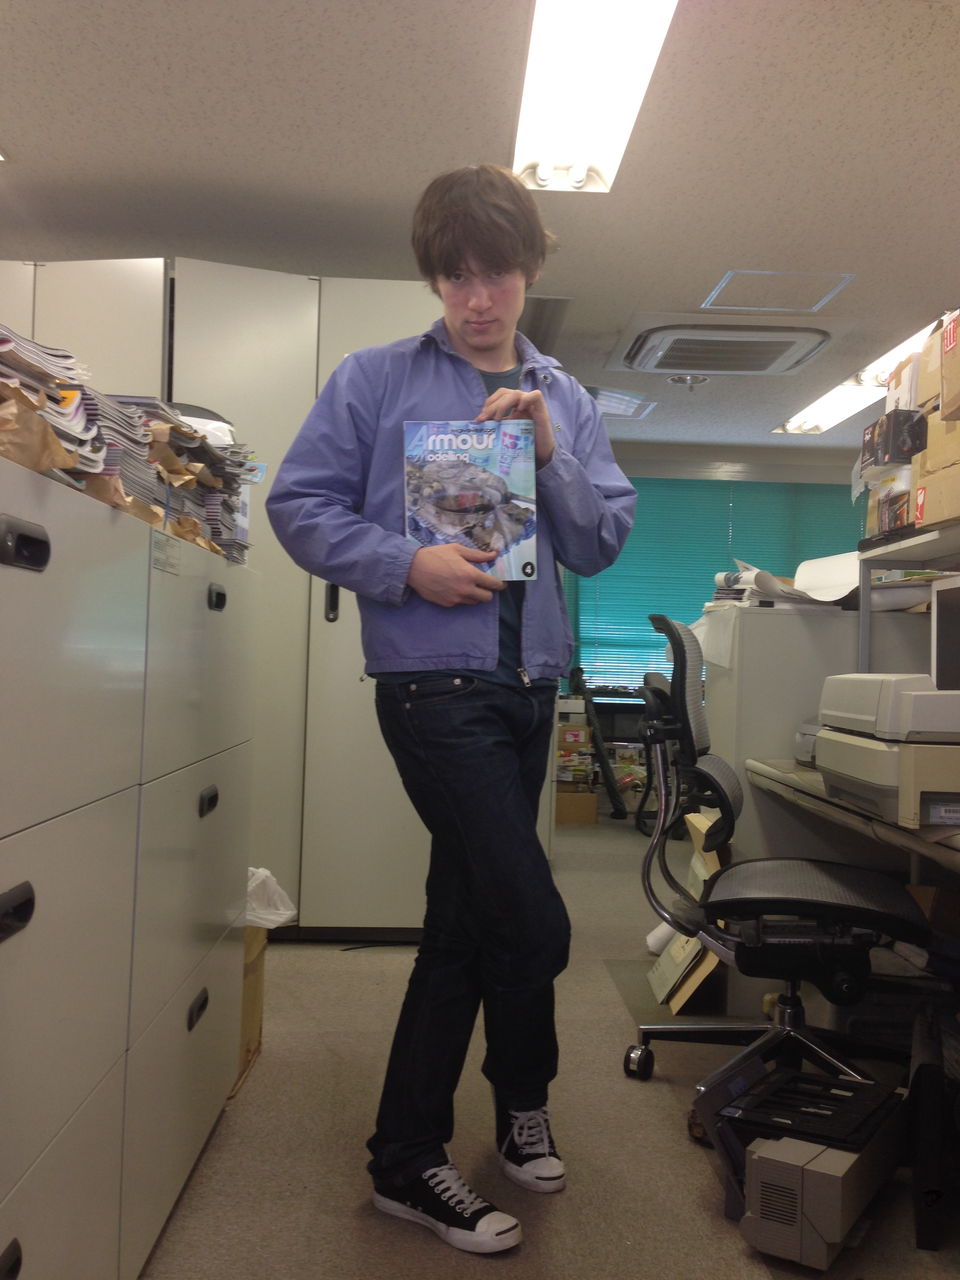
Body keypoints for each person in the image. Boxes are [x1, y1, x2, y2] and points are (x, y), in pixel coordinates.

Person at [267, 163, 636, 1255]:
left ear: (530, 271)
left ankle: (448, 1140)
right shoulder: (375, 378)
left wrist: (553, 456)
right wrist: (404, 562)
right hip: (433, 686)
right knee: (533, 918)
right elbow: (297, 503)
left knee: (465, 917)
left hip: (531, 683)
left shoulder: (566, 395)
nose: (479, 298)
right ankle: (480, 1116)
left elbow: (599, 541)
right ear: (435, 277)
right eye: (457, 275)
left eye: (498, 273)